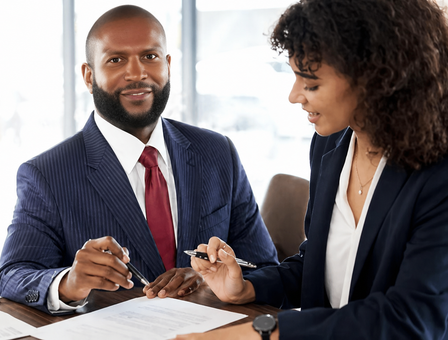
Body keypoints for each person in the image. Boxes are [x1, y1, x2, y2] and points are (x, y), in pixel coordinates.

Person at [174, 0, 448, 339]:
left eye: (311, 83)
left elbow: (411, 318)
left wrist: (267, 333)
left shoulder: (438, 175)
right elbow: (320, 265)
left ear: (377, 78)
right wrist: (246, 289)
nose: (293, 96)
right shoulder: (330, 146)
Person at [0, 5, 278, 314]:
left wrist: (207, 279)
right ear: (89, 77)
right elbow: (12, 275)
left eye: (150, 57)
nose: (137, 73)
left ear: (168, 66)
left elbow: (264, 266)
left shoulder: (217, 152)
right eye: (116, 60)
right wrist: (69, 282)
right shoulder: (46, 175)